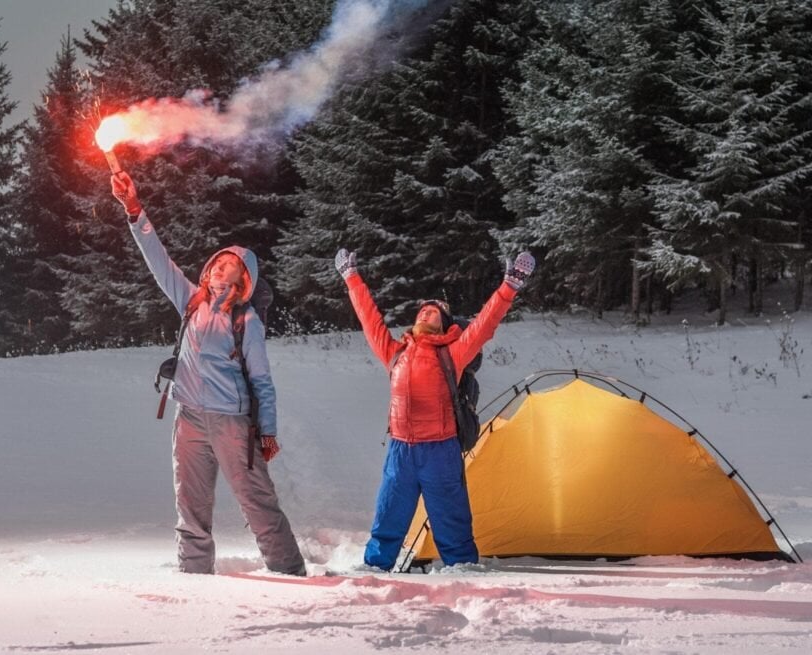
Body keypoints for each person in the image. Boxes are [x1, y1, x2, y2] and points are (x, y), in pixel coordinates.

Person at [112, 172, 305, 576]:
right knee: (190, 503)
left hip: (231, 423)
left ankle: (289, 571)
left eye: (230, 264)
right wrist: (134, 210)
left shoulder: (246, 320)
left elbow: (262, 382)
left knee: (256, 500)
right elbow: (157, 258)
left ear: (244, 278)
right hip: (189, 419)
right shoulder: (190, 300)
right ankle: (194, 577)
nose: (220, 266)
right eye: (218, 261)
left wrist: (266, 431)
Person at [334, 246, 535, 570]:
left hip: (439, 450)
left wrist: (509, 286)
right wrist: (352, 278)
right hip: (400, 449)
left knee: (450, 515)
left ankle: (462, 568)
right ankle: (375, 567)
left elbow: (484, 325)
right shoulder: (395, 352)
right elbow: (370, 320)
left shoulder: (451, 355)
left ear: (444, 325)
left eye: (435, 312)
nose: (427, 313)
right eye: (424, 311)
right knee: (389, 514)